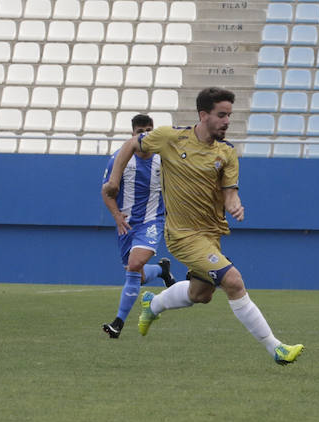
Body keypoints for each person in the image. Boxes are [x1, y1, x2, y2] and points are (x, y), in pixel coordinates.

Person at [102, 88, 304, 365]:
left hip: (211, 235)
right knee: (233, 281)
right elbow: (132, 144)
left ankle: (154, 303)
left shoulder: (227, 152)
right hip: (182, 234)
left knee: (201, 294)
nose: (227, 121)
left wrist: (235, 203)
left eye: (229, 115)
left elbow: (229, 191)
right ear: (203, 115)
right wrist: (113, 181)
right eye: (221, 115)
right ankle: (276, 348)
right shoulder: (171, 138)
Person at [101, 114, 176, 339]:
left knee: (134, 265)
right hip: (126, 224)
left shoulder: (163, 159)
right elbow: (106, 192)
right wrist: (116, 216)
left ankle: (118, 323)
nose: (145, 134)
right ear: (133, 134)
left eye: (149, 130)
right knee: (137, 275)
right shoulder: (120, 159)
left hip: (153, 220)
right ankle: (162, 270)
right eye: (140, 131)